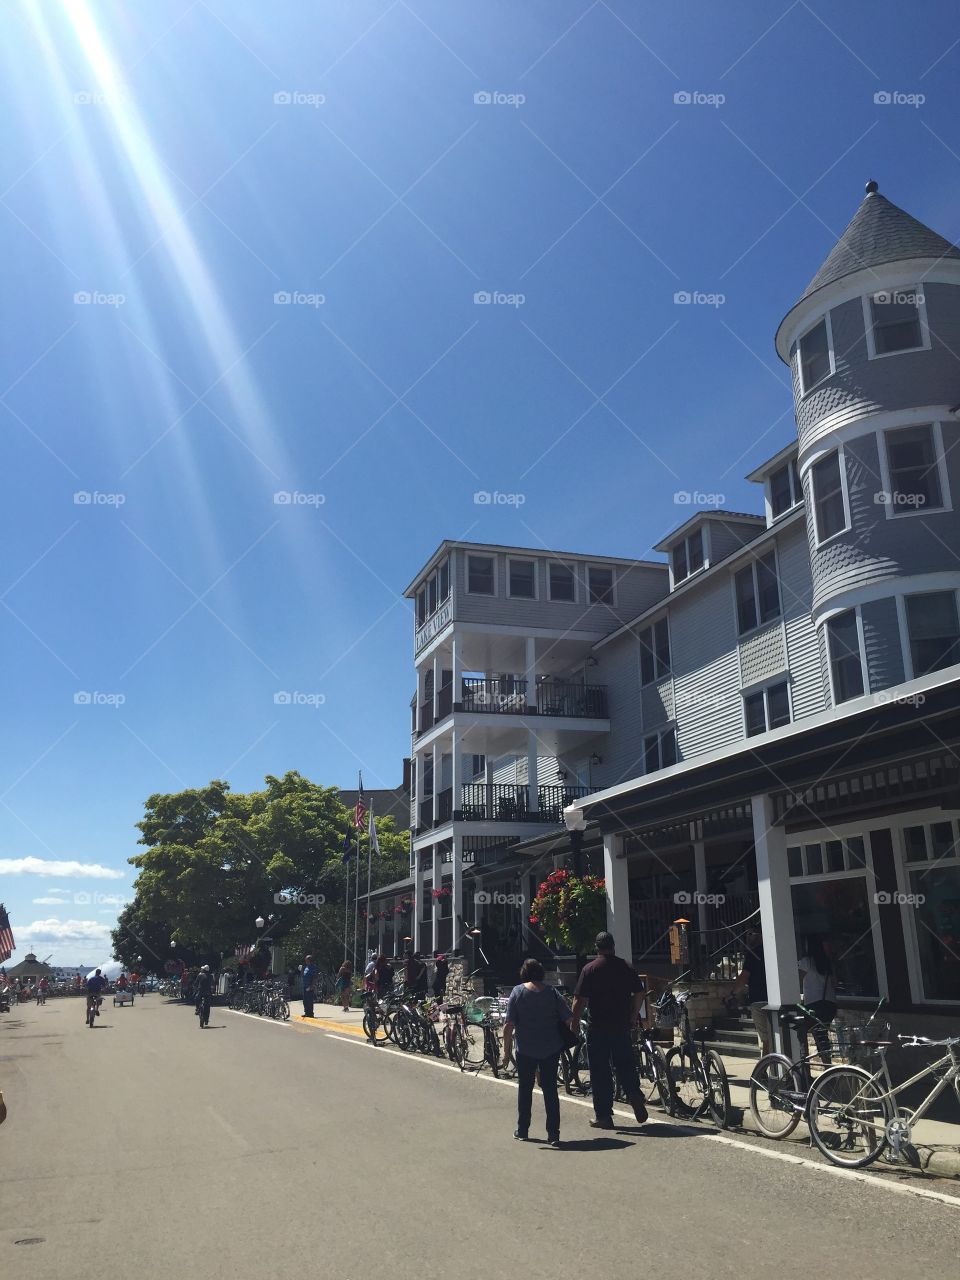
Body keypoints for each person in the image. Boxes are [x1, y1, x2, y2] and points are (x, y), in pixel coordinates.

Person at [570, 932, 648, 1128]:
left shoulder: (590, 969)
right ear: (613, 946)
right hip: (621, 1025)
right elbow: (639, 992)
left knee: (600, 1071)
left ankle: (604, 1116)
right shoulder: (626, 967)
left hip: (598, 1027)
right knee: (625, 1064)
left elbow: (579, 1000)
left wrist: (574, 1024)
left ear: (596, 948)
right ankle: (634, 1094)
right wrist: (632, 1016)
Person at [502, 958, 571, 1147]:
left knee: (525, 1088)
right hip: (550, 1047)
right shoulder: (552, 992)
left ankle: (523, 1129)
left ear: (523, 973)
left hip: (525, 1048)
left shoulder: (517, 992)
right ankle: (553, 1133)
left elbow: (509, 1025)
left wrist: (506, 1052)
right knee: (550, 1089)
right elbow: (567, 1018)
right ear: (541, 972)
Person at [798, 936, 838, 1063]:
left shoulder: (806, 962)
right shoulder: (827, 963)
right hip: (830, 1004)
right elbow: (835, 984)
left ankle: (804, 1063)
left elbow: (797, 980)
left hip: (814, 1005)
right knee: (822, 1035)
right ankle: (827, 1064)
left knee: (801, 1031)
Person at [735, 927, 772, 1057]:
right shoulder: (771, 951)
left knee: (766, 1039)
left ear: (760, 935)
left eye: (751, 934)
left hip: (759, 1000)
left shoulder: (753, 954)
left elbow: (744, 977)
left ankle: (764, 1071)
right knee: (772, 1035)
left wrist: (733, 994)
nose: (748, 937)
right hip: (774, 998)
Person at [302, 954, 316, 1018]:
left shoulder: (312, 967)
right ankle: (306, 1012)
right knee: (305, 1000)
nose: (305, 961)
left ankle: (310, 1013)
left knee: (309, 1000)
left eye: (306, 960)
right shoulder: (306, 967)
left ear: (309, 960)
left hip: (309, 986)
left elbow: (314, 977)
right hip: (305, 985)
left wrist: (311, 986)